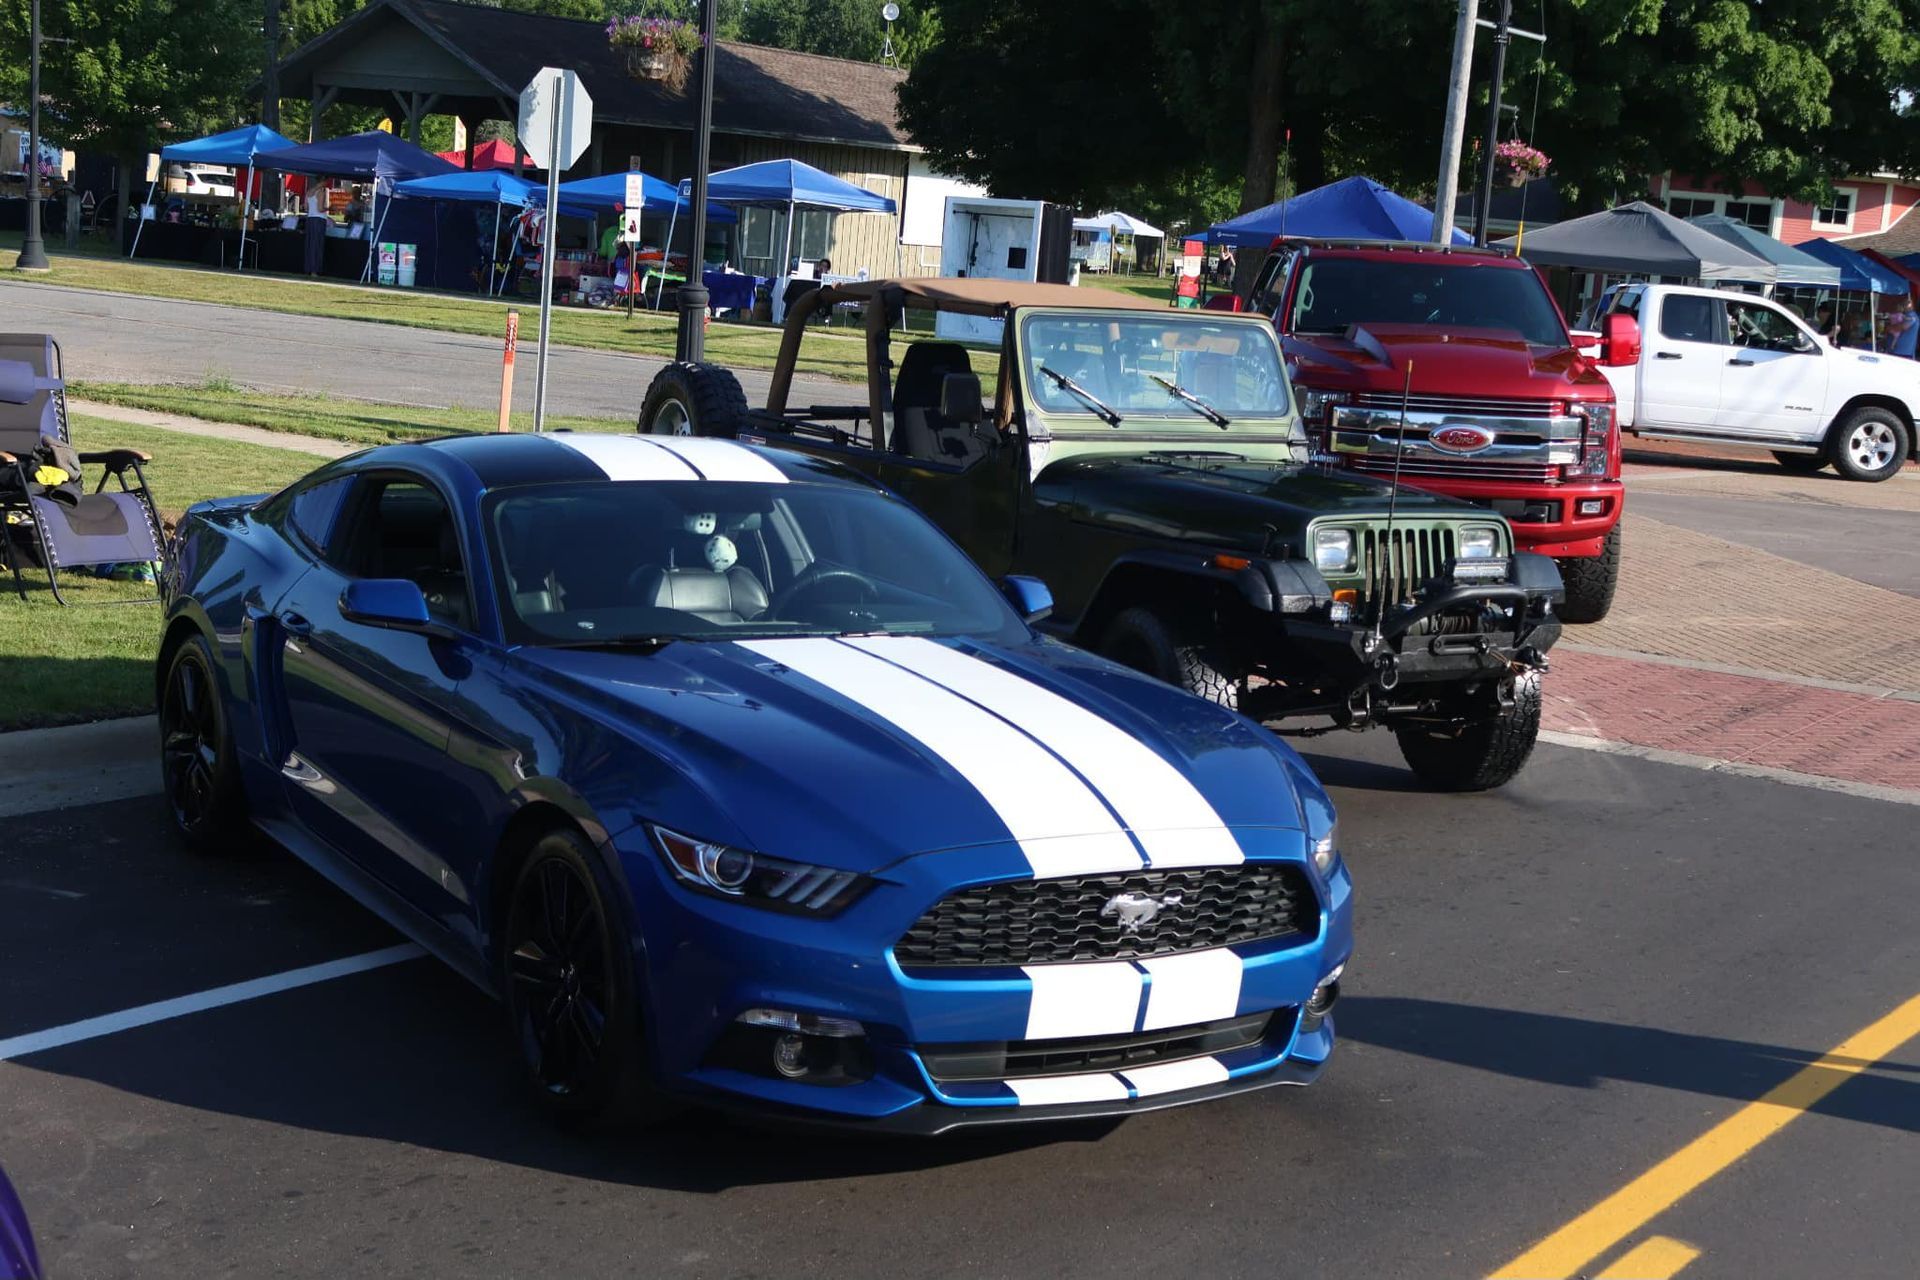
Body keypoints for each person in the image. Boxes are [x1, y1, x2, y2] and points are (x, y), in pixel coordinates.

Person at [1886, 294, 1919, 359]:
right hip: (1898, 352)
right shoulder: (1905, 315)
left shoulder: (1911, 316)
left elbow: (1902, 327)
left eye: (1904, 305)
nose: (1903, 307)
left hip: (1902, 353)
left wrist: (1889, 327)